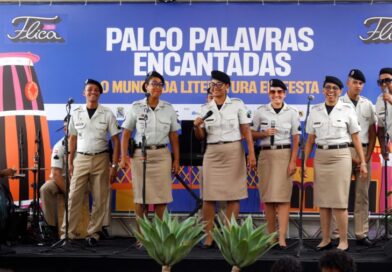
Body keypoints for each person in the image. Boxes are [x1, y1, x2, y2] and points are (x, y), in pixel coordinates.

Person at [193, 70, 256, 248]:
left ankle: (229, 235)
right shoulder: (205, 108)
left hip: (233, 151)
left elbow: (246, 131)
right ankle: (208, 237)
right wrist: (197, 127)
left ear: (227, 87)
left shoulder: (237, 104)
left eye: (219, 85)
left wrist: (251, 153)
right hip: (212, 152)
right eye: (212, 85)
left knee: (233, 195)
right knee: (208, 197)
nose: (215, 88)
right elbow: (200, 136)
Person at [304, 76, 367, 251]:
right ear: (323, 90)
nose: (330, 91)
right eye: (327, 88)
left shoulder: (347, 109)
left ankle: (343, 241)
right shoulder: (315, 110)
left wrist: (363, 161)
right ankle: (325, 239)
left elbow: (355, 137)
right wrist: (303, 163)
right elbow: (310, 139)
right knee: (323, 201)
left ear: (340, 91)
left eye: (334, 88)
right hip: (321, 155)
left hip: (341, 156)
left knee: (339, 201)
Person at [62, 79, 120, 247]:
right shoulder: (76, 113)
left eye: (96, 90)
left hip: (101, 158)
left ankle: (93, 233)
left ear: (100, 94)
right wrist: (70, 161)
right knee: (74, 196)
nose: (93, 92)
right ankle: (67, 233)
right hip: (80, 158)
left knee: (100, 197)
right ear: (84, 93)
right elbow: (72, 138)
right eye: (89, 90)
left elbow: (116, 141)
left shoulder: (107, 113)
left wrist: (114, 165)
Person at [120, 71, 180, 221]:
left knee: (162, 196)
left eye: (160, 84)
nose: (157, 87)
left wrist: (176, 159)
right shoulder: (136, 107)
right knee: (141, 197)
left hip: (162, 156)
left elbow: (174, 136)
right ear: (146, 86)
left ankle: (158, 235)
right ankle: (143, 236)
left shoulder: (168, 108)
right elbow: (126, 134)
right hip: (140, 156)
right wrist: (123, 157)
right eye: (154, 84)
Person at [251, 79, 300, 249]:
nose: (276, 95)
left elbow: (296, 138)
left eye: (279, 92)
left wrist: (293, 160)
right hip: (266, 154)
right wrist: (263, 133)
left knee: (283, 197)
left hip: (284, 154)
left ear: (284, 94)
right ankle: (271, 237)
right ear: (269, 94)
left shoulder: (292, 112)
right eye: (273, 92)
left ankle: (282, 238)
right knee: (269, 198)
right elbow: (249, 134)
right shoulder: (260, 112)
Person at [339, 69, 376, 247]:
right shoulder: (339, 103)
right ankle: (338, 234)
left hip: (364, 152)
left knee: (362, 194)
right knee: (340, 194)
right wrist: (350, 156)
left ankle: (361, 234)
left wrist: (366, 157)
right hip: (344, 151)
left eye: (361, 83)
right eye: (355, 82)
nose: (358, 86)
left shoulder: (368, 105)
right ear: (348, 83)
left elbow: (372, 131)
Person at [40, 118, 68, 236]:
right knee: (45, 189)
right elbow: (56, 174)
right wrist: (68, 192)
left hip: (81, 178)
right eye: (67, 127)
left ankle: (100, 227)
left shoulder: (85, 144)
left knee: (104, 186)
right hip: (62, 179)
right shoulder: (59, 146)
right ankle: (50, 227)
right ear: (65, 129)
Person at [376, 68, 392, 161]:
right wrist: (383, 146)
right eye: (381, 82)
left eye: (388, 81)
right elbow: (381, 127)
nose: (384, 84)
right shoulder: (380, 100)